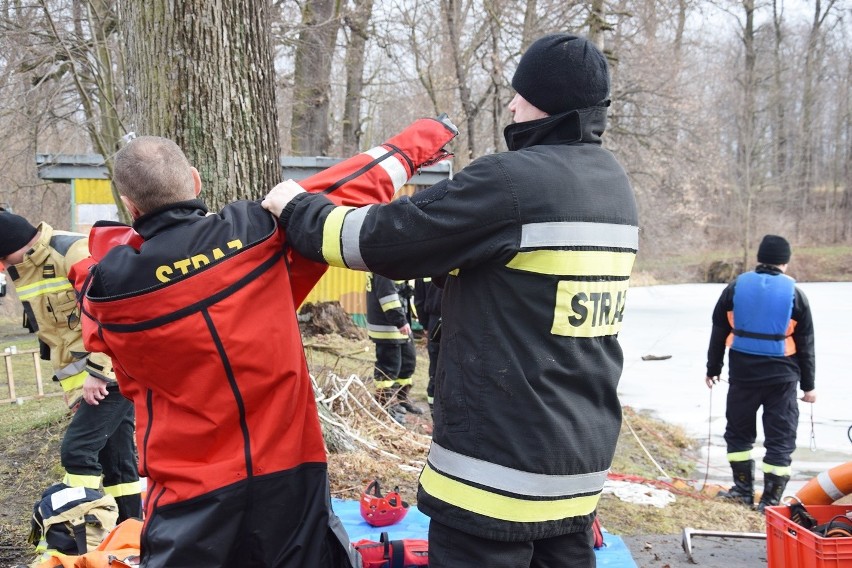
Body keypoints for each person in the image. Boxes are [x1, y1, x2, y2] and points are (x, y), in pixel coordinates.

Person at [263, 33, 639, 567]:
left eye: (520, 95)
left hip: (494, 477)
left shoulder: (512, 183)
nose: (512, 105)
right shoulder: (613, 186)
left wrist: (298, 208)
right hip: (577, 467)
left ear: (546, 104)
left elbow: (379, 239)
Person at [72, 117, 457, 567]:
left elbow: (88, 293)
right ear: (194, 180)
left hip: (189, 493)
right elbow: (350, 184)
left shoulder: (106, 293)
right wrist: (422, 138)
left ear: (129, 206)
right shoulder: (259, 235)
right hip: (290, 475)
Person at [0, 209, 142, 526]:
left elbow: (113, 311)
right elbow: (59, 334)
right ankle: (132, 534)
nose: (7, 270)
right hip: (95, 381)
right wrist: (75, 388)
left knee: (77, 453)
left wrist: (96, 373)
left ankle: (83, 529)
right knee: (117, 461)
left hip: (112, 372)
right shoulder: (27, 268)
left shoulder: (72, 251)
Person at [705, 234, 816, 512]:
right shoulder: (795, 294)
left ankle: (742, 491)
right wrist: (809, 386)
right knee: (780, 439)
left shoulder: (734, 288)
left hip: (743, 375)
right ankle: (770, 502)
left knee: (738, 434)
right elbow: (806, 343)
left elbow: (719, 331)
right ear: (785, 263)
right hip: (783, 379)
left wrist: (713, 368)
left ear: (760, 259)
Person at [366, 272, 422, 423]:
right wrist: (400, 321)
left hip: (400, 325)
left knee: (408, 364)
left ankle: (402, 399)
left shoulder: (396, 264)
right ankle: (385, 404)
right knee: (388, 368)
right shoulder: (383, 267)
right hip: (387, 327)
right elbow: (388, 297)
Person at [413, 277, 442, 417]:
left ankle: (434, 415)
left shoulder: (427, 263)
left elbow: (418, 299)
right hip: (456, 319)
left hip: (434, 322)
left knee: (435, 370)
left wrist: (425, 324)